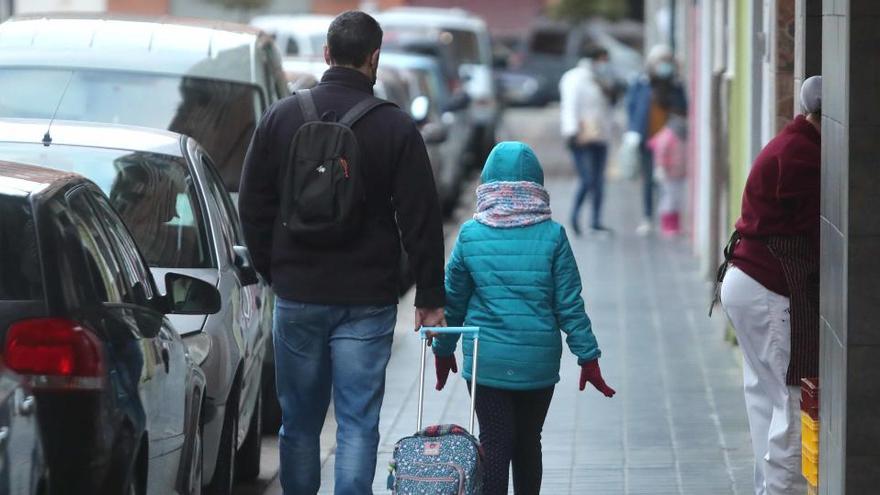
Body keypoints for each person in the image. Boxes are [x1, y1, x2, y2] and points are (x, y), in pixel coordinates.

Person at [238, 11, 447, 494]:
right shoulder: (394, 127)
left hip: (298, 293)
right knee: (356, 422)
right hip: (367, 299)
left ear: (327, 54)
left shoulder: (282, 116)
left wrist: (277, 270)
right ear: (374, 58)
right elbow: (421, 217)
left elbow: (253, 204)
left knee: (300, 423)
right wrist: (429, 296)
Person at [432, 141, 616, 495]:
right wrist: (588, 357)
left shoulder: (470, 235)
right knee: (529, 442)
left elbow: (452, 301)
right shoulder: (553, 236)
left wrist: (444, 350)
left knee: (496, 443)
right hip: (537, 364)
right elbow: (569, 305)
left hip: (487, 362)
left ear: (486, 182)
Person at [717, 75, 822, 495]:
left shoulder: (793, 144)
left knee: (765, 400)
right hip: (767, 286)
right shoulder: (804, 156)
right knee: (792, 400)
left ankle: (768, 489)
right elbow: (821, 230)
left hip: (746, 280)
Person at [625, 44, 687, 235]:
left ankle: (666, 217)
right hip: (647, 140)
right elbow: (632, 108)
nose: (663, 65)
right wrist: (632, 132)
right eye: (660, 61)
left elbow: (683, 108)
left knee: (669, 182)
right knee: (649, 179)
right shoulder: (641, 83)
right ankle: (647, 217)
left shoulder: (675, 85)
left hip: (670, 142)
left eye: (666, 61)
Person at [559, 44, 613, 236]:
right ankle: (574, 217)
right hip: (581, 137)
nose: (605, 64)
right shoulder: (574, 78)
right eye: (603, 59)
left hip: (600, 135)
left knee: (599, 181)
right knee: (587, 179)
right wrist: (571, 132)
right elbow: (569, 106)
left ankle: (595, 221)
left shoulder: (600, 80)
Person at [647, 113, 688, 237]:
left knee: (676, 200)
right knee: (669, 200)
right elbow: (661, 153)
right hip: (668, 174)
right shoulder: (668, 137)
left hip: (678, 174)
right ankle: (667, 225)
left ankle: (675, 225)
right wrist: (660, 168)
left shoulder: (678, 137)